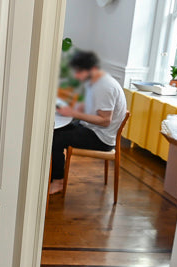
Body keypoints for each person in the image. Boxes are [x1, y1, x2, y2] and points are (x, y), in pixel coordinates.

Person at [49, 50, 128, 195]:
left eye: (79, 72)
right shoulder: (97, 81)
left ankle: (58, 181)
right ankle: (51, 175)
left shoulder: (104, 87)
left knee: (55, 139)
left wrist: (73, 113)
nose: (76, 76)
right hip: (91, 128)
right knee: (54, 131)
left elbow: (105, 121)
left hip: (101, 138)